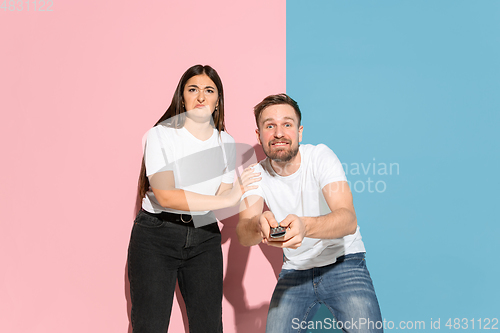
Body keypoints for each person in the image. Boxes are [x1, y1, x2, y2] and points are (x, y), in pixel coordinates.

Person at [127, 64, 260, 333]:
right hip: (156, 236)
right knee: (149, 327)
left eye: (209, 90)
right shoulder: (160, 135)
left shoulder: (226, 142)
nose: (201, 96)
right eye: (193, 89)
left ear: (217, 101)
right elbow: (166, 196)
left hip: (204, 237)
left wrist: (246, 194)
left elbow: (224, 196)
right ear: (182, 96)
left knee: (209, 327)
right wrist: (229, 197)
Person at [236, 94, 383, 333]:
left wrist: (305, 226)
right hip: (294, 272)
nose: (279, 133)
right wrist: (257, 223)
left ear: (299, 132)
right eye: (270, 126)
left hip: (343, 263)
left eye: (287, 124)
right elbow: (244, 233)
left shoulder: (320, 157)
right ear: (259, 135)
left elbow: (348, 219)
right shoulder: (255, 173)